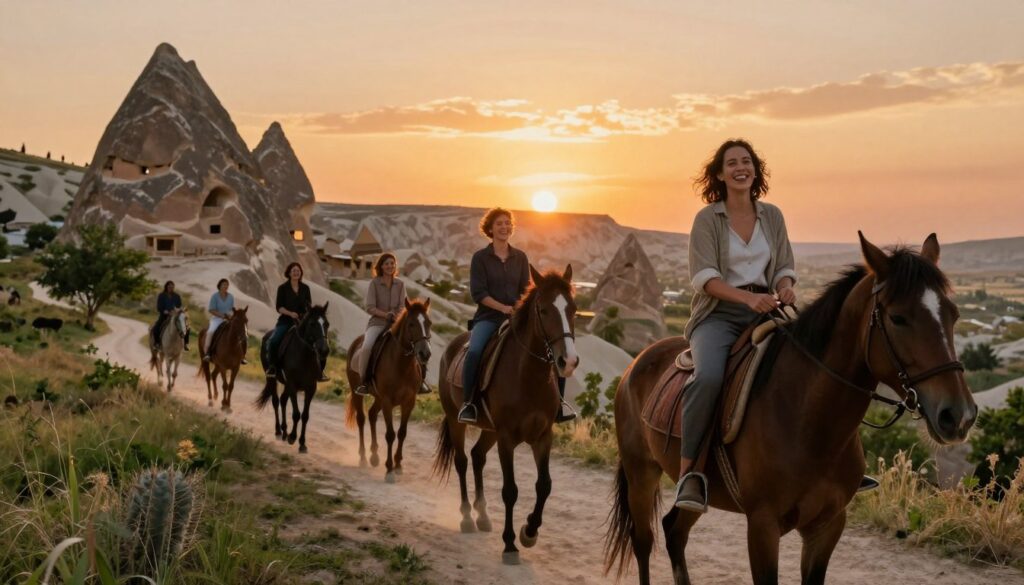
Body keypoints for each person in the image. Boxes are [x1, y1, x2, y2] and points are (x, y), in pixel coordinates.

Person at [673, 139, 798, 512]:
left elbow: (784, 267)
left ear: (755, 171)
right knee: (709, 377)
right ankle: (689, 474)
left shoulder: (772, 216)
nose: (740, 168)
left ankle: (836, 463)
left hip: (768, 310)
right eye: (732, 163)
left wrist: (785, 288)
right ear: (719, 174)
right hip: (719, 315)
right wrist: (747, 299)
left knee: (823, 360)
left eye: (747, 162)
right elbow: (705, 278)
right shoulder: (708, 219)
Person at [457, 207, 576, 424]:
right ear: (490, 229)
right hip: (488, 318)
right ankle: (470, 404)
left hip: (516, 317)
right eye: (499, 224)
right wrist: (502, 308)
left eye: (507, 223)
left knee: (552, 350)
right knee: (474, 352)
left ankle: (558, 404)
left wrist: (521, 309)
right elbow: (478, 293)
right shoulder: (480, 258)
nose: (504, 227)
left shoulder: (520, 257)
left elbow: (525, 290)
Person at [353, 253, 429, 396]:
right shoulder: (374, 284)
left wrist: (396, 315)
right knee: (367, 346)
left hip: (396, 324)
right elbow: (370, 307)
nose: (390, 266)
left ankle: (421, 381)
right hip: (377, 323)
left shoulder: (400, 284)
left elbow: (403, 305)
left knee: (419, 342)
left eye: (392, 263)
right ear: (381, 266)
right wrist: (385, 314)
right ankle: (365, 382)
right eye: (386, 264)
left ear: (395, 266)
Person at [265, 263, 329, 382]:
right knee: (273, 341)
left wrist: (305, 316)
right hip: (285, 321)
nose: (296, 273)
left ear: (301, 273)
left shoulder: (305, 288)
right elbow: (279, 307)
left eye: (298, 271)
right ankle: (273, 368)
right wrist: (290, 313)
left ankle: (319, 370)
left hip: (302, 322)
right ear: (289, 273)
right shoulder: (282, 288)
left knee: (320, 341)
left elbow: (308, 306)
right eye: (294, 271)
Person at [203, 278, 246, 364]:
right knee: (211, 332)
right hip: (216, 319)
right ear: (219, 286)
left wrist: (230, 315)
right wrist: (222, 315)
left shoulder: (230, 297)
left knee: (241, 332)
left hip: (229, 319)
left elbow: (231, 309)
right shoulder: (215, 296)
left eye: (227, 285)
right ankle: (207, 353)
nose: (226, 286)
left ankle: (242, 356)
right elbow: (211, 310)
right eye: (224, 285)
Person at [152, 281, 190, 351]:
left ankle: (185, 344)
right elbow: (159, 307)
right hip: (164, 316)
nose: (171, 288)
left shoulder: (177, 296)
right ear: (166, 287)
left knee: (186, 327)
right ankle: (157, 344)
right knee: (155, 328)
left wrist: (180, 310)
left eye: (172, 287)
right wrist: (164, 311)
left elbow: (179, 306)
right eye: (169, 287)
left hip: (175, 315)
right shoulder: (161, 295)